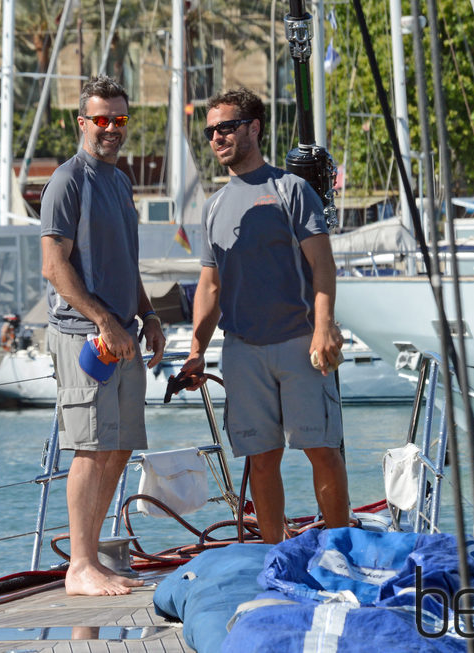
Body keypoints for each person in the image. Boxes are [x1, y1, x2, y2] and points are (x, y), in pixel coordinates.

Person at [180, 87, 349, 544]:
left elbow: (323, 265)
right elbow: (210, 287)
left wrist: (323, 328)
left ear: (253, 128)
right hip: (242, 351)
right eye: (211, 130)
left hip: (299, 343)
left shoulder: (291, 190)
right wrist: (197, 350)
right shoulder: (213, 207)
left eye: (227, 127)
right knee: (260, 456)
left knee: (321, 449)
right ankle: (274, 554)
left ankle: (339, 548)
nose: (217, 137)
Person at [40, 75, 166, 595]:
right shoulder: (67, 181)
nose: (111, 128)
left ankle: (89, 558)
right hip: (85, 337)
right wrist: (105, 321)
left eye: (120, 119)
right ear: (82, 123)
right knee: (90, 448)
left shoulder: (119, 181)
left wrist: (148, 315)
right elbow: (54, 267)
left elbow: (124, 265)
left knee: (116, 448)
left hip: (123, 335)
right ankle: (80, 566)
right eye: (101, 119)